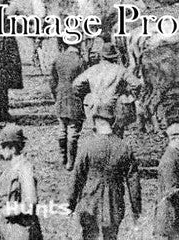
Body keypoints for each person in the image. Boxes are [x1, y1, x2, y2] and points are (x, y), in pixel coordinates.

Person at [68, 105, 142, 240]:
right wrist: (136, 211)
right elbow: (133, 182)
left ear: (96, 122)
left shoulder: (87, 146)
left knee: (90, 235)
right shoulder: (124, 147)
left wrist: (70, 204)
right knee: (111, 235)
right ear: (112, 122)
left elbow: (77, 176)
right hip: (115, 202)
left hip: (90, 202)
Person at [0, 126, 43, 240]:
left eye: (3, 147)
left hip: (21, 230)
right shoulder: (11, 167)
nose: (0, 151)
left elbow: (31, 203)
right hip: (9, 228)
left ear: (13, 148)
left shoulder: (25, 168)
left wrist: (8, 211)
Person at [72, 44, 138, 132]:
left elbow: (76, 84)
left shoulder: (92, 69)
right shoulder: (121, 70)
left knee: (101, 133)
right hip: (114, 107)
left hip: (95, 105)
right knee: (114, 136)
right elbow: (137, 84)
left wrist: (86, 93)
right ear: (114, 57)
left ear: (101, 56)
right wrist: (127, 93)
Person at [50, 37, 86, 170]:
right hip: (75, 98)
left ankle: (63, 157)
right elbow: (85, 82)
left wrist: (56, 95)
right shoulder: (80, 61)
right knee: (73, 131)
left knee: (62, 128)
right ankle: (71, 161)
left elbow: (52, 81)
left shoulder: (58, 59)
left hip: (60, 96)